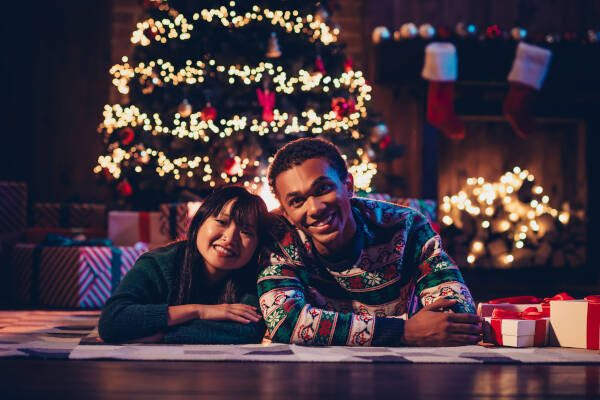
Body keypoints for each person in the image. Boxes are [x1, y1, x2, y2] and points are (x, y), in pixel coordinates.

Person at [258, 137, 482, 347]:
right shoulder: (279, 237)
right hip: (308, 379)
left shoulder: (407, 227)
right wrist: (403, 330)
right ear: (286, 213)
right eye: (297, 201)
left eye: (323, 189)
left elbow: (458, 315)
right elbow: (284, 322)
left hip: (401, 378)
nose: (315, 208)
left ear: (348, 186)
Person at [99, 186, 269, 344]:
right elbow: (112, 321)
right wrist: (198, 311)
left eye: (246, 232)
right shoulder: (158, 263)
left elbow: (249, 331)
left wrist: (162, 336)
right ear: (199, 222)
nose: (230, 238)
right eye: (222, 222)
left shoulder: (255, 276)